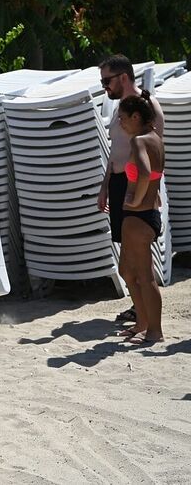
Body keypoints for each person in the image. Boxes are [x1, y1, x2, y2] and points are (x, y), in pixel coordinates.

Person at [97, 55, 164, 326]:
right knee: (127, 260)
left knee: (140, 262)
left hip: (135, 184)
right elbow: (115, 153)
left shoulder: (146, 106)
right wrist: (104, 187)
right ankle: (141, 314)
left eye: (106, 81)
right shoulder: (120, 109)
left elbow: (155, 152)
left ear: (123, 77)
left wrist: (145, 193)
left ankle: (147, 319)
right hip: (118, 182)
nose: (104, 87)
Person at [116, 94, 165, 345]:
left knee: (145, 276)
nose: (120, 122)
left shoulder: (138, 141)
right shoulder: (156, 138)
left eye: (122, 118)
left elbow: (145, 173)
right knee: (126, 271)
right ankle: (143, 323)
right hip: (147, 215)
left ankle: (154, 331)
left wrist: (134, 201)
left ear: (136, 117)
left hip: (139, 216)